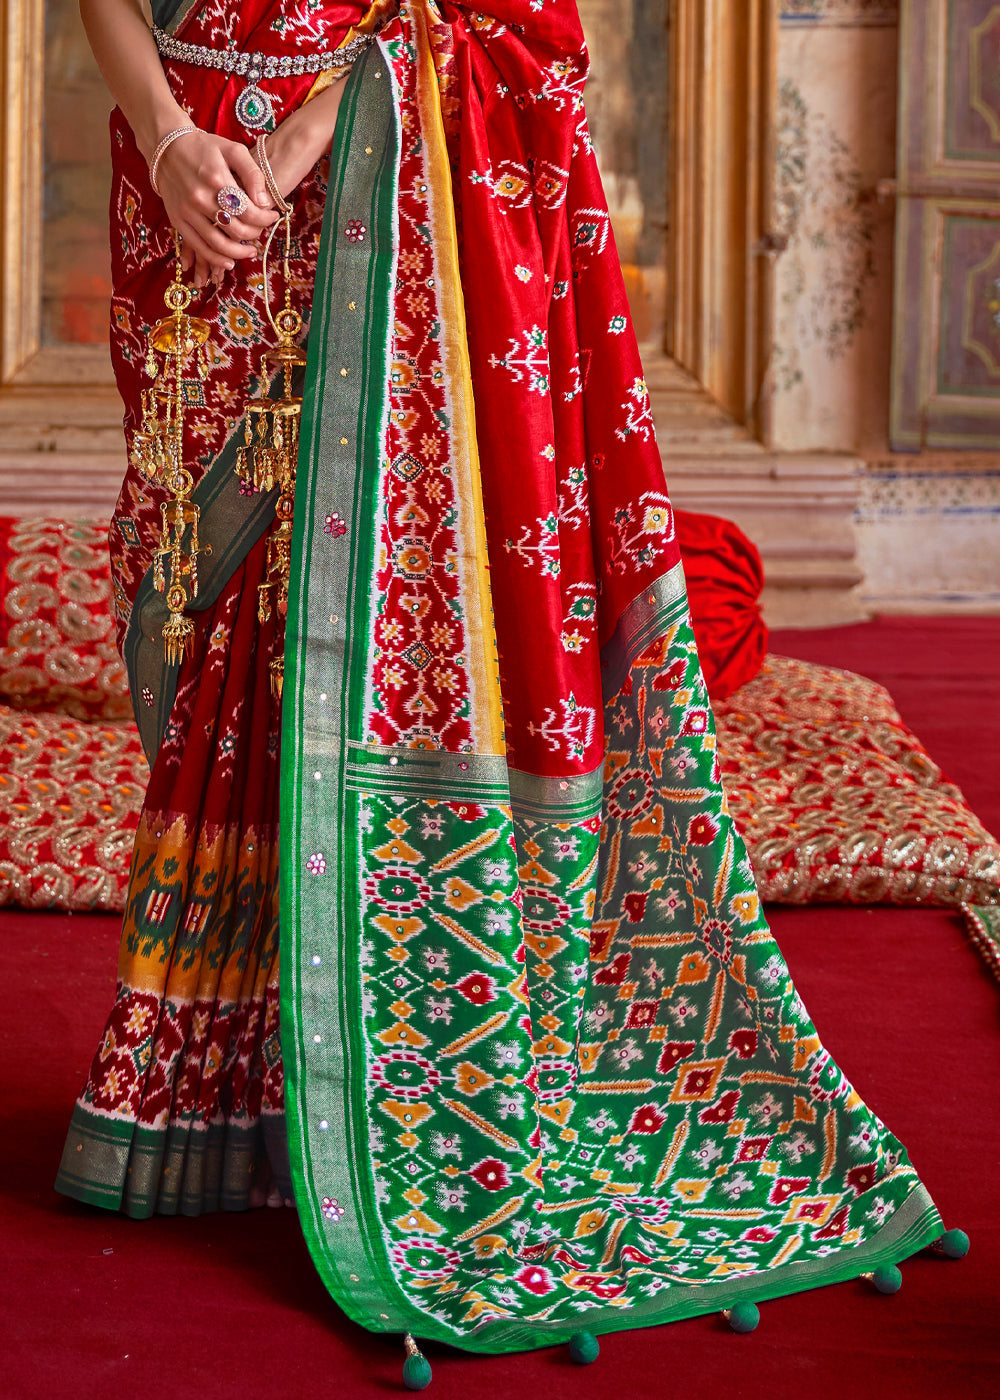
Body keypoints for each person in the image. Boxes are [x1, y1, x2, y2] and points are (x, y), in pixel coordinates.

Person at [58, 0, 950, 1372]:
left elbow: (506, 20)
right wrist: (170, 136)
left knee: (335, 621)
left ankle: (395, 1091)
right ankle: (227, 1087)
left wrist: (308, 138)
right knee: (206, 610)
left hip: (366, 168)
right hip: (182, 190)